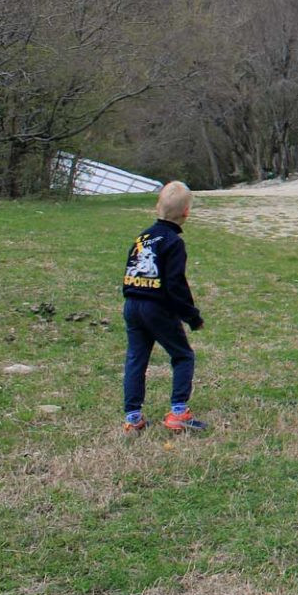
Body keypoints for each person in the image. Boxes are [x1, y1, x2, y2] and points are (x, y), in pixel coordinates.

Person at [121, 181, 208, 433]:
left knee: (136, 359)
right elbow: (175, 285)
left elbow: (130, 270)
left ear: (157, 207)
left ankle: (133, 417)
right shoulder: (173, 242)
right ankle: (179, 412)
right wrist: (191, 317)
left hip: (132, 304)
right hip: (156, 308)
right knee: (182, 355)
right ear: (187, 213)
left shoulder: (142, 237)